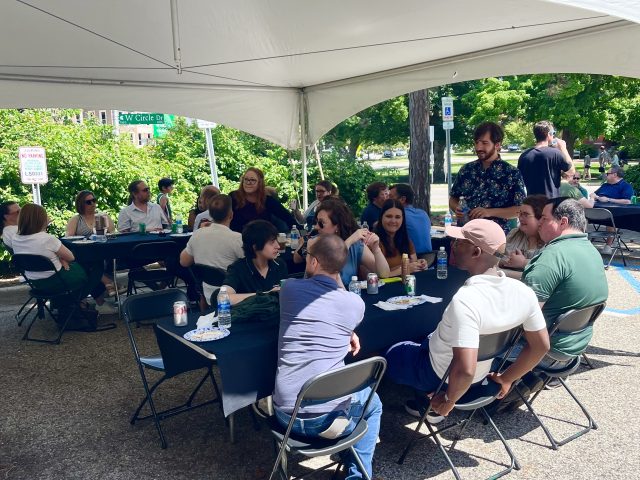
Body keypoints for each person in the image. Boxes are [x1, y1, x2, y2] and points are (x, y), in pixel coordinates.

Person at [385, 219, 550, 420]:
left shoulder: (466, 300)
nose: (452, 245)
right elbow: (541, 346)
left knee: (391, 353)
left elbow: (465, 369)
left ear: (476, 252)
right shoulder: (524, 292)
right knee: (426, 337)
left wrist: (448, 400)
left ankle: (424, 403)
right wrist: (507, 379)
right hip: (480, 373)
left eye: (459, 242)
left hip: (438, 375)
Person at [273, 234, 382, 480]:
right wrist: (349, 331)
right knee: (373, 403)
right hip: (328, 421)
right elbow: (338, 308)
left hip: (286, 417)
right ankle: (357, 475)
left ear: (312, 262)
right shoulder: (355, 304)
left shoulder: (288, 290)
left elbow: (311, 297)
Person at [522, 198, 608, 362]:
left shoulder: (552, 257)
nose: (539, 223)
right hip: (575, 345)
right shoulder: (591, 251)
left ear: (563, 222)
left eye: (545, 218)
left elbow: (524, 314)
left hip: (543, 351)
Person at [12, 203, 117, 314]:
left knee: (87, 266)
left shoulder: (16, 239)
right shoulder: (47, 239)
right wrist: (62, 258)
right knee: (95, 265)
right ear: (40, 219)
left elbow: (37, 254)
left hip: (36, 283)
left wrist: (61, 259)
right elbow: (71, 257)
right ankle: (89, 300)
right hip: (57, 280)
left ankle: (85, 301)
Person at [449, 122, 526, 233]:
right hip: (466, 234)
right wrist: (457, 208)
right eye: (477, 142)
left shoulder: (511, 173)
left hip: (495, 237)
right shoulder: (466, 170)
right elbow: (453, 198)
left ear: (497, 145)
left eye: (485, 143)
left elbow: (519, 209)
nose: (478, 147)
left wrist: (489, 212)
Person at [180, 194, 244, 304]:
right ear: (231, 215)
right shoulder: (237, 239)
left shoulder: (198, 234)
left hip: (206, 292)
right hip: (232, 296)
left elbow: (184, 261)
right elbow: (252, 266)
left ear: (210, 214)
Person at [312, 198, 390, 286]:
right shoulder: (314, 242)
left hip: (347, 297)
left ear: (337, 226)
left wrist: (376, 249)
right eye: (316, 222)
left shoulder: (355, 246)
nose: (316, 227)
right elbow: (327, 273)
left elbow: (384, 274)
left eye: (321, 223)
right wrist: (349, 241)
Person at [221, 220, 287, 305]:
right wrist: (266, 294)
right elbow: (223, 298)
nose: (278, 246)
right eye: (272, 242)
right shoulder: (238, 268)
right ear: (255, 246)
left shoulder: (279, 265)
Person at [66, 190, 118, 296]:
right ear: (81, 204)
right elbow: (69, 238)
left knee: (92, 264)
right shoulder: (76, 219)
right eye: (88, 202)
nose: (93, 204)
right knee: (90, 263)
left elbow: (113, 233)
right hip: (84, 252)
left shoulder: (102, 217)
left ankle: (97, 299)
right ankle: (108, 283)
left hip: (102, 251)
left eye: (94, 200)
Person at [229, 167, 296, 233]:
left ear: (259, 183)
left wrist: (303, 233)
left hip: (262, 241)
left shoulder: (268, 200)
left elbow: (288, 218)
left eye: (252, 180)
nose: (248, 183)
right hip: (238, 240)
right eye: (246, 179)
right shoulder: (233, 197)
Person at [517, 121, 574, 197]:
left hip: (531, 202)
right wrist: (563, 149)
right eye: (553, 133)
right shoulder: (555, 154)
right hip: (550, 203)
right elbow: (571, 171)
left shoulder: (524, 156)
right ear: (548, 134)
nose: (553, 136)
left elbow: (520, 179)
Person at [373, 199, 427, 276]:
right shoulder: (374, 242)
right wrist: (405, 269)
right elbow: (378, 275)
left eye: (397, 217)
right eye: (389, 216)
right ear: (381, 217)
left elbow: (413, 263)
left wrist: (420, 264)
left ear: (402, 219)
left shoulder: (406, 239)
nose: (393, 221)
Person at [589, 165, 634, 254]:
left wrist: (608, 199)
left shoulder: (626, 186)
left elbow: (627, 202)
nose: (606, 175)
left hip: (613, 213)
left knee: (611, 219)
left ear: (615, 175)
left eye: (607, 173)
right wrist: (593, 196)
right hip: (596, 211)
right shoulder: (605, 185)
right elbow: (593, 194)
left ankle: (608, 245)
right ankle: (582, 242)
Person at [499, 195, 547, 275]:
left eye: (526, 214)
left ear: (540, 218)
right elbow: (497, 256)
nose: (520, 218)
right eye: (520, 214)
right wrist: (505, 260)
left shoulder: (550, 242)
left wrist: (523, 263)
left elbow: (548, 269)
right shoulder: (514, 234)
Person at [389, 183, 432, 254]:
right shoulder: (423, 213)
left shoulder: (399, 216)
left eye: (390, 197)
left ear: (402, 199)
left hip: (409, 259)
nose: (387, 200)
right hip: (429, 258)